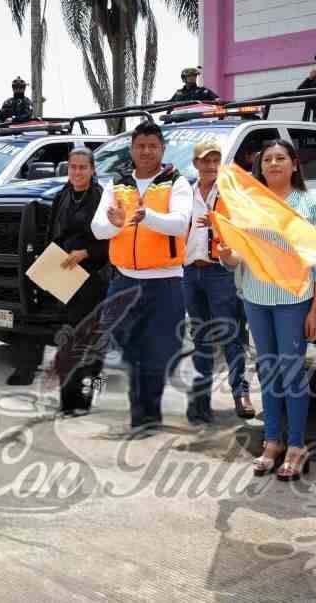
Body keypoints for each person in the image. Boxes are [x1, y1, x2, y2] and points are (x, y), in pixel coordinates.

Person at [218, 139, 316, 481]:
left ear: (294, 164)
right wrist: (228, 255)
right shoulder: (249, 205)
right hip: (255, 298)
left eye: (280, 158)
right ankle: (272, 442)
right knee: (268, 373)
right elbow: (240, 256)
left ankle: (297, 445)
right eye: (267, 159)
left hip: (294, 301)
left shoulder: (309, 205)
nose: (273, 164)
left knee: (292, 374)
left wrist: (315, 309)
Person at [92, 121, 193, 432]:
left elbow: (179, 224)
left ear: (162, 149)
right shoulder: (117, 184)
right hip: (124, 280)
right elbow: (99, 229)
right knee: (124, 343)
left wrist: (145, 216)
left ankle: (146, 415)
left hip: (166, 282)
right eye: (140, 146)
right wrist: (118, 224)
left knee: (160, 349)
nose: (146, 151)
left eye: (152, 146)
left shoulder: (177, 183)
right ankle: (143, 410)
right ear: (132, 150)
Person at [183, 141, 252, 424]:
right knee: (200, 336)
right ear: (196, 163)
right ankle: (200, 400)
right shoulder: (185, 193)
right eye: (205, 161)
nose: (211, 166)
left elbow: (243, 228)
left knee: (230, 333)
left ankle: (241, 392)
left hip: (219, 271)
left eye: (215, 160)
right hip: (190, 272)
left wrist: (215, 224)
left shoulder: (230, 193)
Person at [44, 147, 111, 413]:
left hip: (94, 278)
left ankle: (93, 395)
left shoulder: (101, 197)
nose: (77, 172)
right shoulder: (62, 195)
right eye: (73, 167)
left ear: (93, 170)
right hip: (66, 276)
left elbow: (111, 241)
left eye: (83, 167)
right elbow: (52, 233)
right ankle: (68, 400)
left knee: (94, 345)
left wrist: (86, 253)